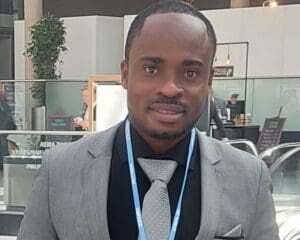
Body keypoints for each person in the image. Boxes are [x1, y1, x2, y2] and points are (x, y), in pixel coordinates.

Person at [18, 1, 279, 240]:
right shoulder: (61, 171)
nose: (170, 88)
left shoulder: (249, 178)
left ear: (208, 81)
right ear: (125, 73)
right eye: (152, 69)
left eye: (190, 72)